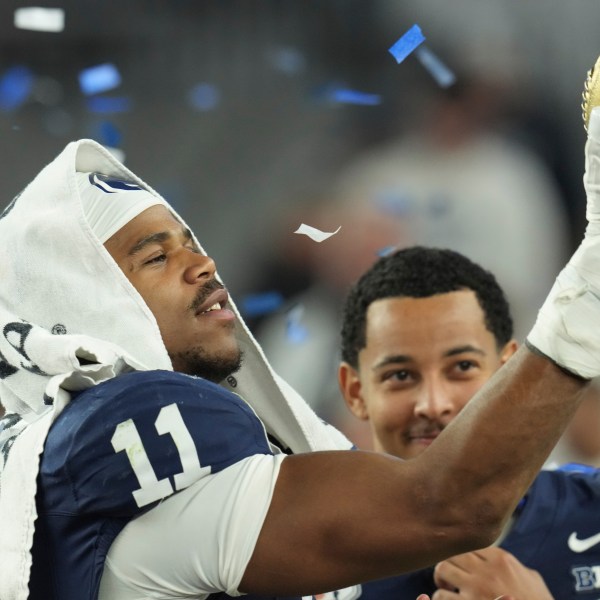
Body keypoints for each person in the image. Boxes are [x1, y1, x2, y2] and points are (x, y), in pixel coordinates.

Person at [2, 104, 600, 600]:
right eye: (157, 258)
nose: (204, 264)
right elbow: (447, 507)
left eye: (190, 243)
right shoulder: (139, 444)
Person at [338, 245, 600, 599]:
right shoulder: (304, 555)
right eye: (400, 374)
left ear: (509, 372)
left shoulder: (593, 509)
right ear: (355, 392)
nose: (433, 404)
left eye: (462, 367)